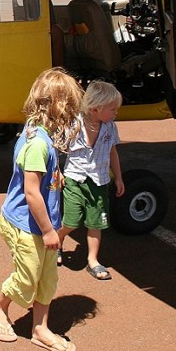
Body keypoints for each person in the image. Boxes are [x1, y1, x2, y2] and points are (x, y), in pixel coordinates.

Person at [0, 67, 83, 351]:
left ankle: (40, 328)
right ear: (60, 106)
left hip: (40, 223)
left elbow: (38, 181)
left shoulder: (39, 130)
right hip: (25, 224)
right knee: (28, 278)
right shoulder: (38, 143)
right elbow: (31, 192)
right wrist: (48, 230)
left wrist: (56, 177)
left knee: (47, 279)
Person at [57, 81, 125, 280]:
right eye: (113, 109)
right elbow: (58, 148)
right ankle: (58, 240)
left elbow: (113, 152)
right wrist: (57, 172)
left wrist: (119, 177)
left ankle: (93, 260)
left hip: (99, 181)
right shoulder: (74, 124)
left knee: (96, 223)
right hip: (75, 180)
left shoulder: (110, 127)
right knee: (71, 222)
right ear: (96, 109)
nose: (116, 113)